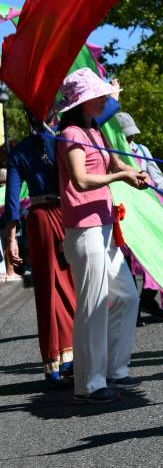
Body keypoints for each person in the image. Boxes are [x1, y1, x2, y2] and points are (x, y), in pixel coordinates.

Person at [55, 68, 149, 404]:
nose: (106, 100)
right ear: (84, 101)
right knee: (93, 305)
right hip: (83, 227)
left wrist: (129, 172)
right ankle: (90, 383)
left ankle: (114, 370)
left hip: (105, 225)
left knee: (127, 296)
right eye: (100, 96)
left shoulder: (94, 131)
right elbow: (80, 179)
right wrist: (119, 179)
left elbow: (109, 166)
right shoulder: (70, 133)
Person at [4, 112, 78, 384]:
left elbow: (13, 202)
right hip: (66, 214)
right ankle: (73, 356)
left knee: (47, 291)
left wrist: (11, 239)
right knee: (72, 284)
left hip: (39, 220)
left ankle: (54, 363)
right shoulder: (60, 139)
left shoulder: (21, 150)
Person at [115, 112, 163, 321]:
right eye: (126, 135)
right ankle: (133, 308)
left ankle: (147, 299)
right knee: (128, 257)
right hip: (126, 211)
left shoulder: (142, 150)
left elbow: (158, 178)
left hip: (150, 209)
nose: (131, 139)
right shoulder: (112, 154)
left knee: (160, 254)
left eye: (132, 134)